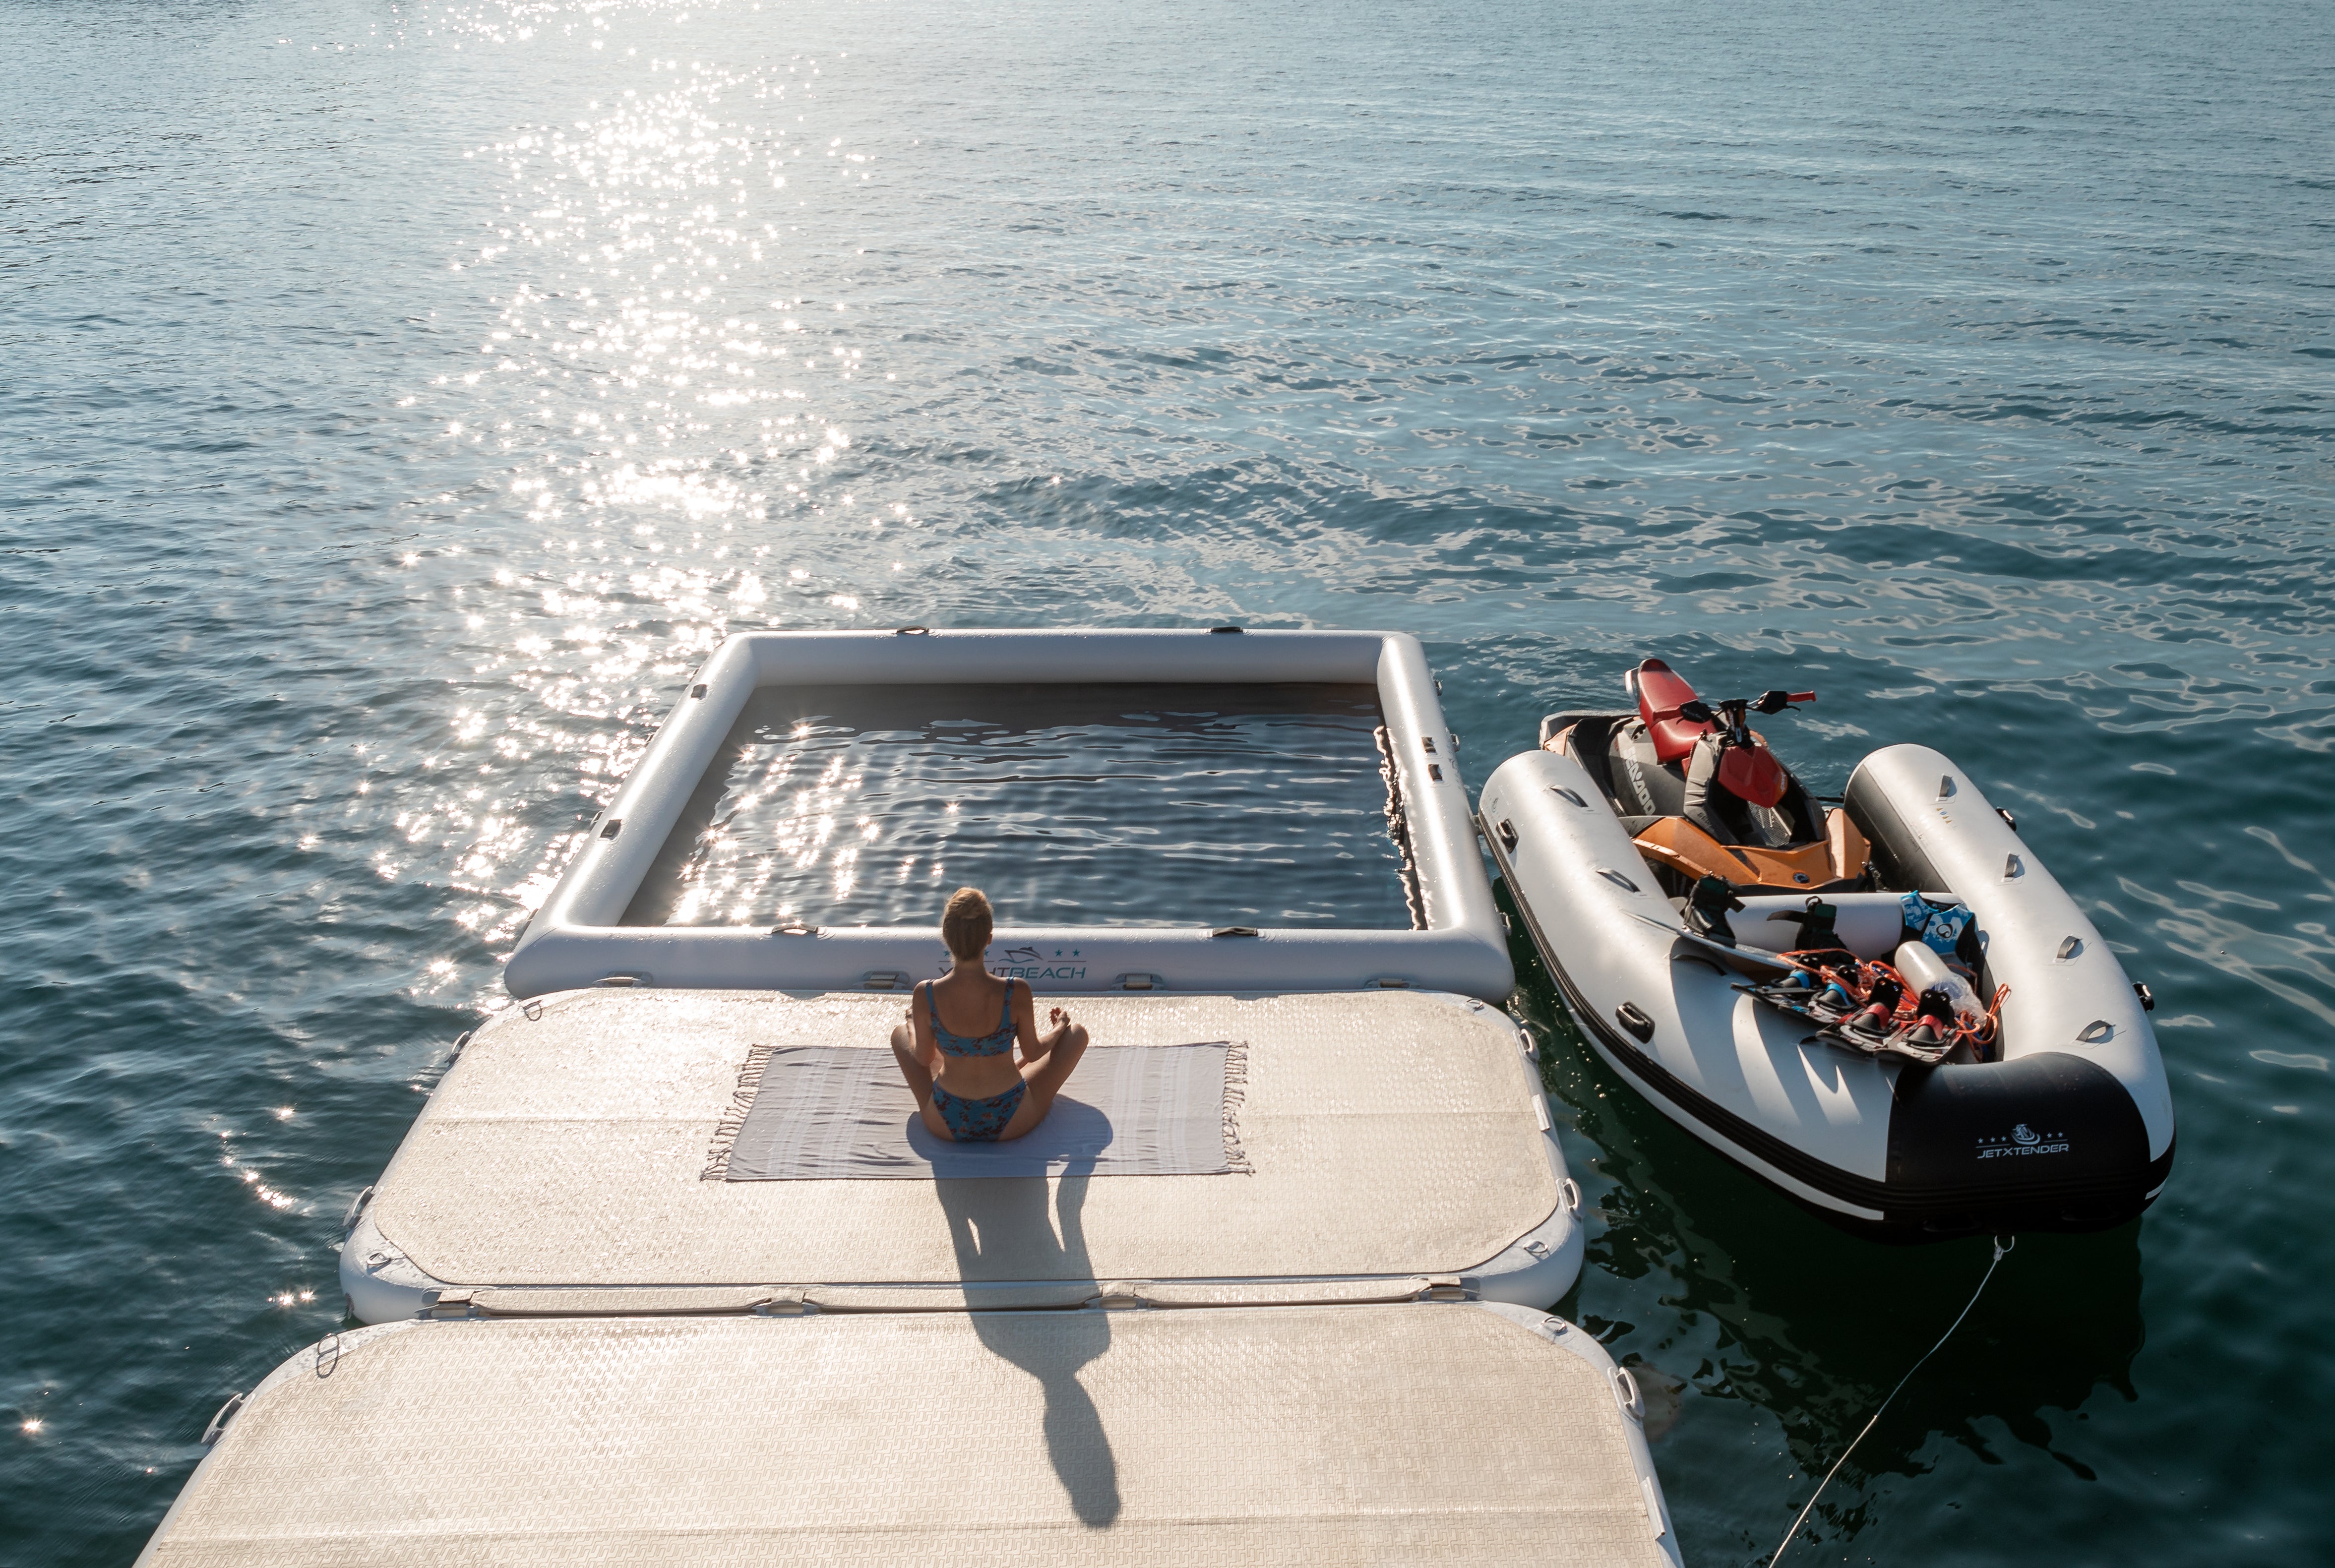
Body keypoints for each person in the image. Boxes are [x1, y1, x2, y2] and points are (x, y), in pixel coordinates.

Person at [889, 887, 1090, 1142]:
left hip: (946, 1120)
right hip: (1012, 1119)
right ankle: (1010, 1069)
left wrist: (911, 1026)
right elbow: (1033, 1053)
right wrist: (1060, 1028)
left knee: (901, 1035)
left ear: (946, 937)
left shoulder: (925, 994)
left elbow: (924, 1056)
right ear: (989, 938)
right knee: (1077, 1034)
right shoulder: (1014, 990)